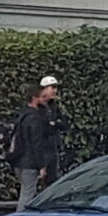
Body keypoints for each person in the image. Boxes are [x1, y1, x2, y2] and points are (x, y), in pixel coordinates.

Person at [12, 79, 70, 207]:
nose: (44, 99)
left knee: (28, 192)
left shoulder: (23, 114)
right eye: (42, 96)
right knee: (27, 195)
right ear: (35, 98)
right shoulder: (35, 118)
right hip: (31, 162)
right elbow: (35, 143)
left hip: (21, 160)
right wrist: (41, 166)